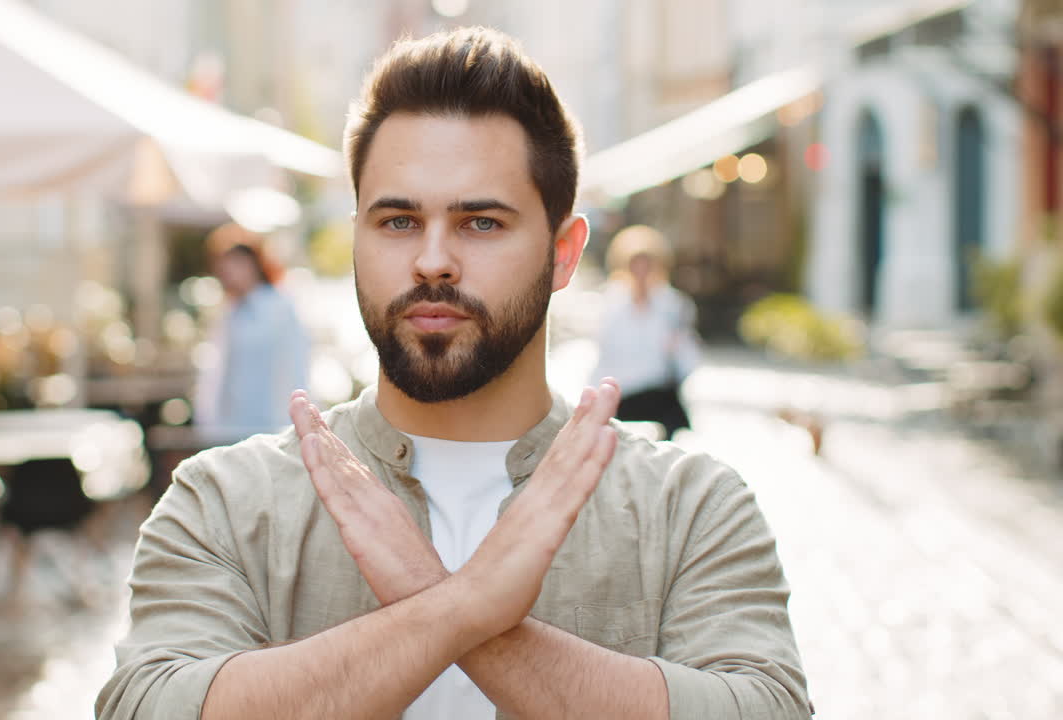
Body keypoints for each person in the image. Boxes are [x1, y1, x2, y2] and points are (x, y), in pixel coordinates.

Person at [98, 27, 809, 720]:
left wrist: (429, 597)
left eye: (482, 223)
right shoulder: (227, 501)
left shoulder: (687, 510)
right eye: (398, 222)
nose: (432, 260)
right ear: (356, 238)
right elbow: (147, 707)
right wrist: (465, 604)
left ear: (563, 254)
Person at [192, 227, 309, 442]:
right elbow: (217, 372)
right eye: (223, 264)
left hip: (272, 427)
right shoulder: (229, 311)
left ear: (253, 264)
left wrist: (295, 425)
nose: (227, 271)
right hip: (230, 428)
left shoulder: (280, 306)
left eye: (235, 263)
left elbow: (295, 366)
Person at [591, 225, 701, 437]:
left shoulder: (673, 305)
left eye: (646, 265)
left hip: (659, 398)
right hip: (623, 397)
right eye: (635, 265)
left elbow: (689, 355)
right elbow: (603, 353)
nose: (641, 271)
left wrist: (677, 349)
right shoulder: (611, 304)